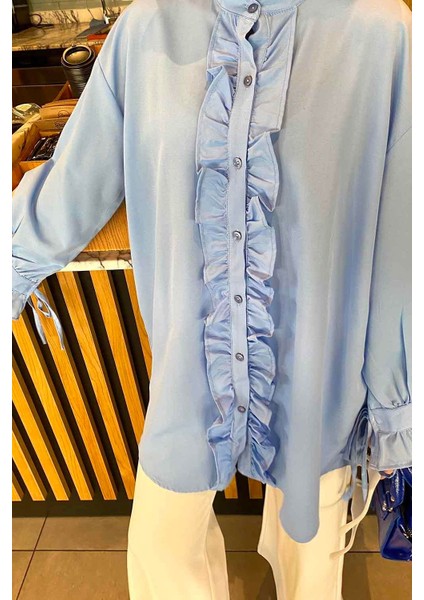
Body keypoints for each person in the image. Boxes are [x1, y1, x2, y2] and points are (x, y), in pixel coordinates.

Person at [12, 0, 411, 598]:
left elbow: (402, 243)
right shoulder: (147, 29)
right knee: (163, 554)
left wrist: (394, 404)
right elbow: (77, 178)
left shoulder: (385, 36)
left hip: (320, 377)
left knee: (310, 561)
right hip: (186, 375)